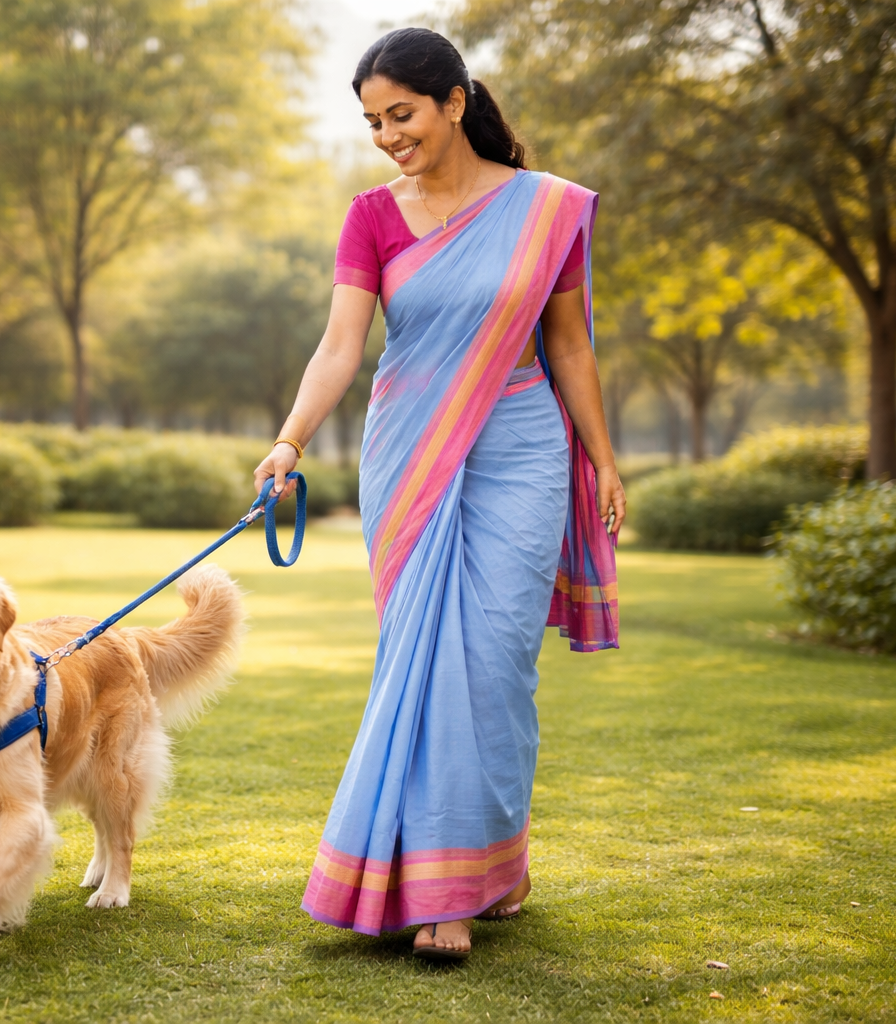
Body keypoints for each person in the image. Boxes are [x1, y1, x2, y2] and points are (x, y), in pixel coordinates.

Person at [252, 27, 624, 963]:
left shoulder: (548, 211)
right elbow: (341, 345)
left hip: (523, 445)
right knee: (423, 657)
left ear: (455, 102)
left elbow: (571, 346)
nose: (387, 135)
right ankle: (443, 893)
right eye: (374, 121)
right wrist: (290, 440)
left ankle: (495, 857)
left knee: (496, 660)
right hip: (410, 453)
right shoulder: (372, 216)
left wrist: (604, 457)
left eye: (402, 114)